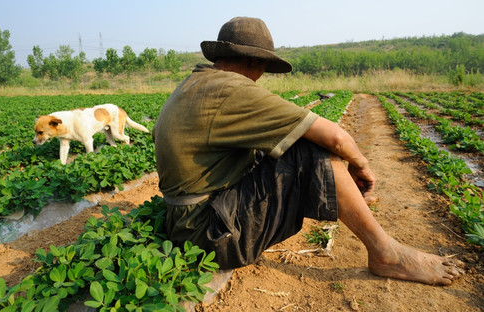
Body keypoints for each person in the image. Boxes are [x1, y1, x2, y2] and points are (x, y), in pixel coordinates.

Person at [152, 16, 464, 285]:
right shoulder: (229, 89)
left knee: (286, 146)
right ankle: (386, 252)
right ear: (251, 61)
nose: (261, 75)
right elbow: (335, 138)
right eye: (263, 66)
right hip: (210, 238)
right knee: (312, 149)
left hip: (190, 224)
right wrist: (360, 166)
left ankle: (348, 203)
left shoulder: (196, 84)